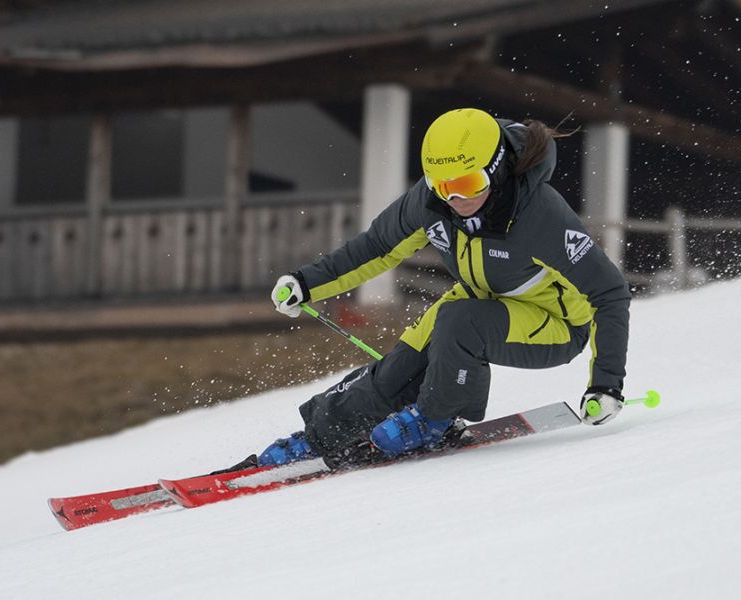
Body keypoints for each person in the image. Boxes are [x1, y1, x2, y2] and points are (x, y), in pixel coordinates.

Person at [237, 108, 631, 470]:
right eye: (443, 186)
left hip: (557, 324)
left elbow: (608, 292)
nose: (455, 198)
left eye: (468, 184)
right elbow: (377, 247)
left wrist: (606, 383)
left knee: (462, 321)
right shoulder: (432, 202)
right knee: (398, 369)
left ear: (495, 170)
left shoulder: (539, 214)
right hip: (481, 300)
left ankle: (435, 419)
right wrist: (307, 284)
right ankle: (320, 437)